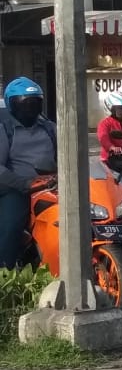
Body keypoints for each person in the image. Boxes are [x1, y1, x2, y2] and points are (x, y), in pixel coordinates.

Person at [0, 77, 57, 269]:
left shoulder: (50, 128)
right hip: (17, 188)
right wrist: (25, 184)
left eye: (35, 103)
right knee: (12, 224)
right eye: (24, 104)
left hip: (51, 185)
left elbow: (70, 155)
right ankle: (5, 272)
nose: (30, 109)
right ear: (11, 104)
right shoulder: (5, 129)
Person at [97, 91, 122, 172]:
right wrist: (112, 147)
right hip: (109, 161)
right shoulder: (104, 124)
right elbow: (103, 138)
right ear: (110, 108)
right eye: (121, 109)